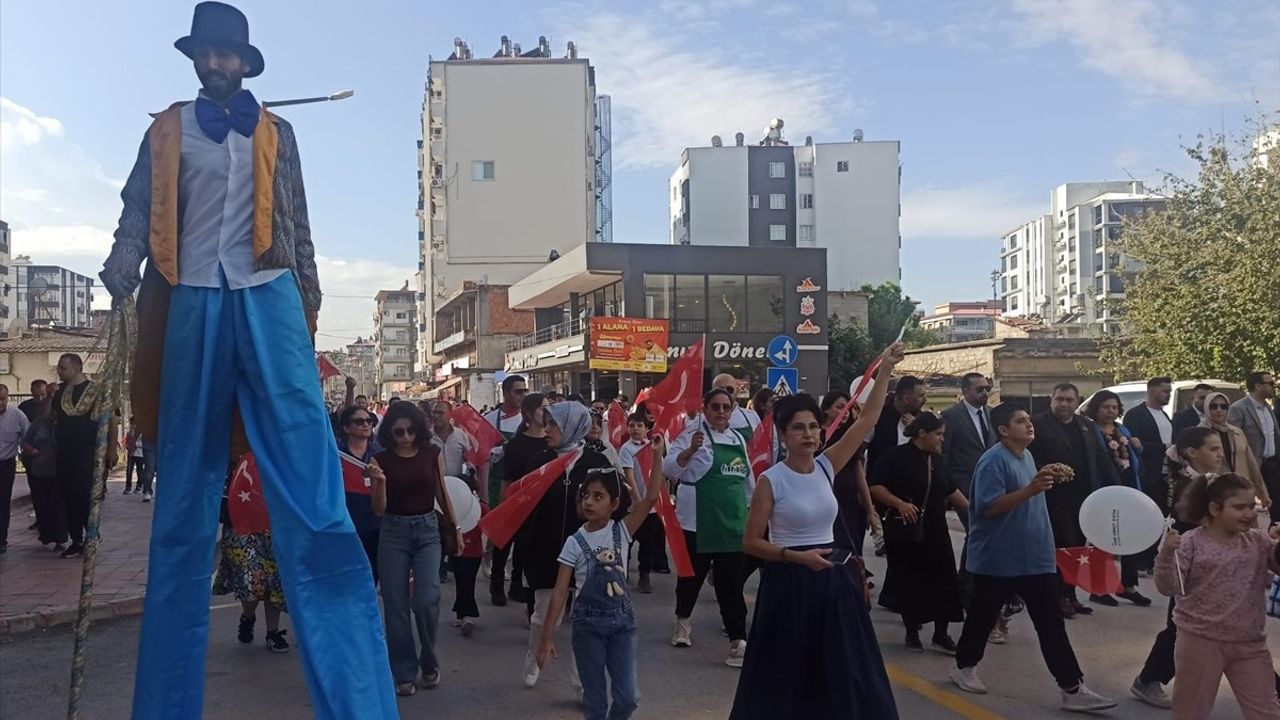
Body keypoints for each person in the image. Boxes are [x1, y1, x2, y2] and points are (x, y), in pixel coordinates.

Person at [97, 4, 397, 715]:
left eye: (225, 54)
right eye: (204, 53)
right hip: (191, 296)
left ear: (244, 62)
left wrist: (310, 306)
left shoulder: (277, 132)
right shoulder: (165, 129)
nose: (213, 63)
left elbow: (298, 222)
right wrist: (121, 259)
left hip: (268, 294)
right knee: (182, 501)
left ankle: (359, 701)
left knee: (315, 492)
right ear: (195, 58)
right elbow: (138, 207)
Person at [730, 343, 905, 719]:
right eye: (798, 428)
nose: (808, 434)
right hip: (789, 584)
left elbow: (867, 421)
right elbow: (751, 542)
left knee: (844, 671)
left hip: (832, 583)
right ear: (783, 434)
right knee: (786, 676)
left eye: (813, 426)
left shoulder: (827, 466)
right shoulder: (770, 481)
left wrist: (885, 370)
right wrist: (794, 556)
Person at [950, 404, 1116, 713]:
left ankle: (1072, 687)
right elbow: (987, 508)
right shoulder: (992, 462)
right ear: (1003, 430)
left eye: (1029, 420)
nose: (1029, 425)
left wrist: (1041, 478)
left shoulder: (1026, 456)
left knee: (1050, 622)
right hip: (998, 558)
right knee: (983, 616)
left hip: (1033, 556)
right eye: (1021, 421)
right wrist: (1031, 489)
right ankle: (963, 667)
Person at [536, 441, 667, 720]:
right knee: (594, 702)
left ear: (615, 503)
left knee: (628, 698)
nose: (589, 502)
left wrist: (657, 456)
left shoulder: (623, 531)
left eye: (598, 496)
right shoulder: (574, 542)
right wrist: (546, 638)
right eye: (586, 495)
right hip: (587, 629)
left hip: (623, 625)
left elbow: (652, 496)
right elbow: (560, 592)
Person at [1154, 473, 1280, 719]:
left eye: (1252, 507)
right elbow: (1169, 587)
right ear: (1214, 508)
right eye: (1239, 507)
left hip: (1249, 643)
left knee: (1266, 712)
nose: (1249, 514)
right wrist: (1167, 554)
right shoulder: (1191, 542)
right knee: (1190, 711)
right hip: (1200, 641)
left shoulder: (1257, 540)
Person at [368, 402, 464, 696]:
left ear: (419, 429)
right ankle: (404, 672)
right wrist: (380, 482)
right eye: (399, 432)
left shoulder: (431, 453)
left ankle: (429, 662)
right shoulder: (380, 459)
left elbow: (441, 492)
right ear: (390, 432)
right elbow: (378, 510)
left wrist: (456, 529)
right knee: (396, 606)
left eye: (411, 430)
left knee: (427, 600)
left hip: (427, 531)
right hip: (393, 531)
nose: (406, 437)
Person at [1131, 426, 1226, 709]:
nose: (1220, 454)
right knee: (1181, 625)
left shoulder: (1205, 481)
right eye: (1213, 449)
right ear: (1190, 453)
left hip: (1210, 564)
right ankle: (1149, 679)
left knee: (1197, 626)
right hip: (1190, 564)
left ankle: (1149, 678)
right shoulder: (1186, 485)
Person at [521, 402, 612, 692]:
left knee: (585, 621)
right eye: (545, 423)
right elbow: (522, 504)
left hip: (588, 551)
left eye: (553, 425)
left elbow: (614, 502)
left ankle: (581, 681)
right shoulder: (539, 460)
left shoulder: (596, 462)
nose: (546, 430)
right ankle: (535, 656)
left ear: (573, 426)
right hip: (546, 549)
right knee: (543, 615)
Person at [664, 387, 756, 666]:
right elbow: (669, 469)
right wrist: (690, 450)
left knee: (731, 583)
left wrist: (753, 512)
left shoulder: (738, 438)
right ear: (705, 408)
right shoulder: (692, 434)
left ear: (732, 411)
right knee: (691, 578)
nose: (720, 412)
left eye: (726, 407)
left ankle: (738, 639)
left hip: (731, 521)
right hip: (697, 521)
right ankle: (683, 621)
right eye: (715, 407)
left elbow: (747, 478)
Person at [870, 412, 969, 653]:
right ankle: (912, 631)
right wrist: (899, 504)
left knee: (945, 578)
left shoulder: (938, 460)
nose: (941, 440)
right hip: (905, 529)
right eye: (938, 434)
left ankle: (941, 634)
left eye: (943, 435)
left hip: (935, 528)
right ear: (921, 433)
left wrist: (978, 512)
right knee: (910, 579)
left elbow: (952, 490)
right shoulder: (896, 456)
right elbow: (875, 485)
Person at [1029, 383, 1120, 617]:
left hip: (1083, 498)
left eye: (1069, 400)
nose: (1064, 404)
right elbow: (1026, 457)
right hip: (1051, 497)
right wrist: (1043, 470)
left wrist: (1116, 490)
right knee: (1061, 546)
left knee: (1077, 546)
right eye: (1059, 399)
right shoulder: (1036, 424)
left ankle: (1070, 594)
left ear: (1077, 401)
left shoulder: (1086, 426)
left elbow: (1101, 459)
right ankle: (1056, 596)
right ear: (1051, 399)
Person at [1080, 390, 1152, 607]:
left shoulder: (1122, 429)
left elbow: (1133, 456)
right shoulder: (1089, 430)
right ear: (1096, 408)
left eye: (1114, 407)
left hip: (1129, 488)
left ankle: (1127, 586)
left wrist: (1137, 446)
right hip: (1103, 490)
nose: (1110, 411)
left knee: (1129, 536)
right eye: (1105, 407)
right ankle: (1098, 588)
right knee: (1102, 538)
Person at [213, 458, 290, 653]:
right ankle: (248, 615)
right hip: (242, 520)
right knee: (251, 578)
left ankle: (273, 631)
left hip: (274, 521)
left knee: (275, 579)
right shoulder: (235, 444)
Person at [51, 354, 114, 560]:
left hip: (88, 453)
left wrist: (112, 450)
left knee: (85, 494)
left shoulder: (97, 391)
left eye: (63, 368)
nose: (59, 371)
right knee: (68, 496)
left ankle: (92, 533)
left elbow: (111, 420)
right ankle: (76, 540)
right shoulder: (60, 394)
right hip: (64, 452)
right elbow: (54, 420)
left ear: (77, 367)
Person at [484, 374, 529, 606]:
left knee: (524, 540)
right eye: (518, 391)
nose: (522, 395)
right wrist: (493, 453)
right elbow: (480, 451)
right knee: (502, 537)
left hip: (522, 483)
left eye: (524, 391)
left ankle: (516, 585)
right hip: (499, 482)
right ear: (505, 393)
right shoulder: (491, 420)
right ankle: (496, 585)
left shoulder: (528, 419)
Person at [504, 392, 551, 608]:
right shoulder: (517, 444)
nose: (548, 413)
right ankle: (515, 584)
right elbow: (508, 479)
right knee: (522, 547)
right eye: (543, 408)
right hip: (523, 504)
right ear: (530, 413)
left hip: (548, 505)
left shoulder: (553, 441)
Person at [820, 391, 878, 557]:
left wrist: (869, 510)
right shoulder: (816, 437)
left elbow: (859, 475)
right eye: (839, 407)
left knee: (850, 554)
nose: (845, 412)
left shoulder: (849, 438)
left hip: (849, 505)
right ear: (826, 409)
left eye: (848, 408)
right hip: (825, 505)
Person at [940, 373, 996, 528]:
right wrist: (950, 487)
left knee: (987, 531)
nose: (985, 393)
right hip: (964, 486)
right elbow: (944, 452)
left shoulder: (992, 414)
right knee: (974, 530)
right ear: (965, 391)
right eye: (979, 389)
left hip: (992, 485)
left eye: (986, 388)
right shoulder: (951, 416)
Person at [618, 412, 664, 592]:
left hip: (651, 507)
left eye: (639, 425)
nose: (635, 429)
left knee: (648, 544)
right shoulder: (626, 449)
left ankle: (644, 575)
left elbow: (659, 472)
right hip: (633, 506)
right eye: (632, 425)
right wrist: (638, 501)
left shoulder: (653, 446)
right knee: (626, 541)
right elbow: (629, 476)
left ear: (646, 428)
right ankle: (622, 574)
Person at [337, 405, 381, 582]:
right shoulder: (336, 454)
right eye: (359, 421)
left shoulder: (379, 453)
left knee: (372, 577)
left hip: (376, 526)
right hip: (346, 526)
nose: (365, 425)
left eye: (369, 421)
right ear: (347, 428)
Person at [1228, 372, 1279, 523]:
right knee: (1246, 503)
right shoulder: (1239, 408)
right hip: (1251, 463)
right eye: (1269, 383)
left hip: (1271, 462)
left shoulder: (1267, 407)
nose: (1273, 386)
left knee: (1276, 502)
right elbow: (1233, 437)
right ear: (1257, 386)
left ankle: (1274, 533)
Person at [1201, 391, 1269, 504]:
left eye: (1223, 407)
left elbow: (1251, 464)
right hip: (1215, 491)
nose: (1219, 410)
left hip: (1241, 488)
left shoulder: (1237, 432)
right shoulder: (1200, 433)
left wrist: (1262, 493)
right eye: (1213, 406)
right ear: (1207, 408)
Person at [21, 395, 67, 551]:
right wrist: (31, 451)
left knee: (58, 505)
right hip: (39, 470)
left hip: (59, 471)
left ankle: (61, 538)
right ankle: (46, 534)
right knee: (42, 504)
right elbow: (25, 441)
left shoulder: (64, 424)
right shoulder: (38, 424)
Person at [1123, 377, 1175, 516]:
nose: (1168, 394)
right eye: (1165, 391)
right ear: (1151, 391)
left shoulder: (1164, 415)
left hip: (1166, 473)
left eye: (1169, 391)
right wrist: (1163, 448)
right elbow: (1133, 443)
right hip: (1148, 474)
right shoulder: (1136, 414)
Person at [865, 375, 926, 476]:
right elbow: (860, 454)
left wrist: (916, 428)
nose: (925, 400)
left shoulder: (922, 419)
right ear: (906, 398)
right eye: (921, 396)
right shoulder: (878, 417)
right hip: (880, 484)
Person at [450, 475, 487, 638]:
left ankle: (465, 615)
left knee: (467, 582)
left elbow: (487, 529)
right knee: (462, 582)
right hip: (457, 551)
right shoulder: (451, 507)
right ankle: (462, 615)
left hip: (474, 553)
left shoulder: (480, 507)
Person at [0, 384, 31, 553]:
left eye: (3, 399)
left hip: (5, 464)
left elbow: (27, 437)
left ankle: (1, 539)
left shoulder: (17, 415)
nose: (0, 403)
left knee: (3, 501)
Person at [711, 373, 760, 440]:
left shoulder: (751, 417)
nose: (725, 393)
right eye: (720, 390)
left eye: (729, 389)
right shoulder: (702, 419)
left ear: (736, 391)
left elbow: (760, 444)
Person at [430, 400, 470, 478]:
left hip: (456, 485)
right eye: (434, 412)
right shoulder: (426, 437)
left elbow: (468, 458)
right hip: (433, 485)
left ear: (450, 415)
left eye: (440, 413)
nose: (436, 416)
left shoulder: (460, 435)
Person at [122, 417, 147, 496]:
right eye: (132, 424)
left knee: (140, 471)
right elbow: (127, 442)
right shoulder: (129, 433)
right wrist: (129, 446)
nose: (133, 425)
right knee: (129, 470)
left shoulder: (142, 433)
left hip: (140, 454)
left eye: (135, 423)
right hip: (131, 454)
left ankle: (139, 485)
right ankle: (128, 487)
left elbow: (144, 443)